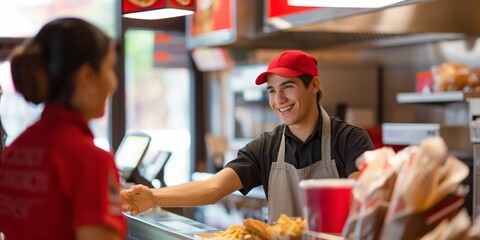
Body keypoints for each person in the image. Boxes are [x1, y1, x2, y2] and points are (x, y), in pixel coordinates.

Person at [121, 50, 374, 223]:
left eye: (288, 87)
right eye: (272, 91)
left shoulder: (350, 140)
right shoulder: (267, 146)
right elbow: (212, 188)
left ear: (314, 86)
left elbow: (365, 199)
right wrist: (154, 197)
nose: (279, 100)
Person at [0, 18, 125, 240]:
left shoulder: (15, 152)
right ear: (87, 75)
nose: (113, 82)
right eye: (109, 68)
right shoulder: (90, 160)